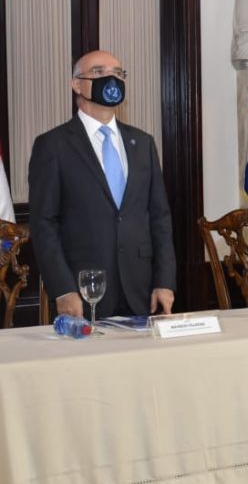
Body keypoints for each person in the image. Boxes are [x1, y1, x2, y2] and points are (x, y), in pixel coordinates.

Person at [29, 50, 175, 319]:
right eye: (99, 72)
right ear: (76, 84)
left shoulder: (143, 143)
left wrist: (164, 281)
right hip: (83, 291)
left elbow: (160, 218)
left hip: (141, 289)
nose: (111, 78)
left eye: (118, 73)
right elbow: (43, 224)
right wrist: (63, 289)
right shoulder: (53, 145)